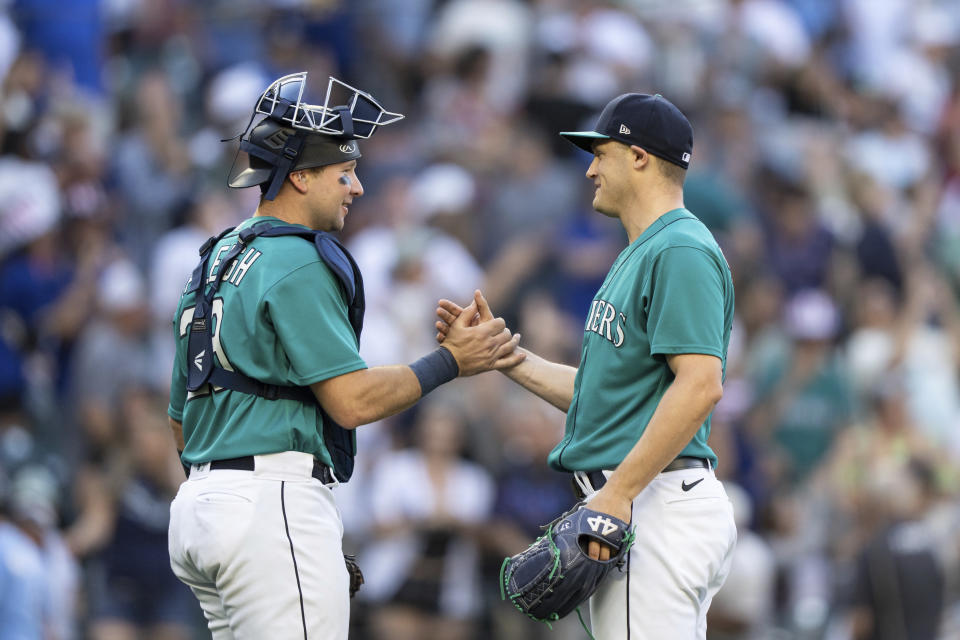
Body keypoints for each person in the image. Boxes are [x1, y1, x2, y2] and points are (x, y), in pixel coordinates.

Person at [166, 72, 521, 640]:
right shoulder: (297, 259)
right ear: (300, 177)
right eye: (345, 173)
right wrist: (450, 360)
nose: (357, 188)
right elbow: (351, 402)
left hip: (201, 509)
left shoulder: (216, 257)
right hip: (269, 504)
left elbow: (180, 422)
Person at [437, 93, 737, 639]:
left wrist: (618, 493)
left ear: (640, 157)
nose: (591, 167)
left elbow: (701, 386)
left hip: (655, 500)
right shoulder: (643, 250)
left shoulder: (680, 249)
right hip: (644, 497)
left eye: (602, 153)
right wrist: (506, 357)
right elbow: (604, 393)